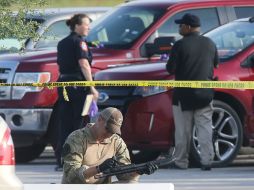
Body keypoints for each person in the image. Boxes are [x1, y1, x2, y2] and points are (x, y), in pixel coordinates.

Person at [166, 13, 219, 170]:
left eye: (181, 25)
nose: (179, 28)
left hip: (183, 96)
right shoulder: (210, 43)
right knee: (205, 129)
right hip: (205, 94)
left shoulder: (179, 45)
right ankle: (207, 161)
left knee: (183, 131)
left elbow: (171, 69)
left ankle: (181, 162)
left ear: (188, 27)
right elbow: (216, 65)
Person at [61, 107, 158, 184]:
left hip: (101, 188)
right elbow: (71, 175)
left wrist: (138, 171)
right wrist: (98, 169)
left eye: (113, 131)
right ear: (99, 120)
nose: (109, 134)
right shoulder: (77, 138)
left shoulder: (116, 141)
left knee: (131, 183)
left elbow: (124, 174)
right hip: (76, 188)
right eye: (108, 129)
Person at [55, 14, 99, 171]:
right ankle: (76, 158)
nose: (88, 27)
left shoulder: (62, 43)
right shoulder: (79, 42)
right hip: (79, 87)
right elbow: (84, 64)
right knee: (80, 122)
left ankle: (62, 159)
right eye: (86, 24)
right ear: (77, 26)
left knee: (64, 122)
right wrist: (92, 87)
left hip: (64, 85)